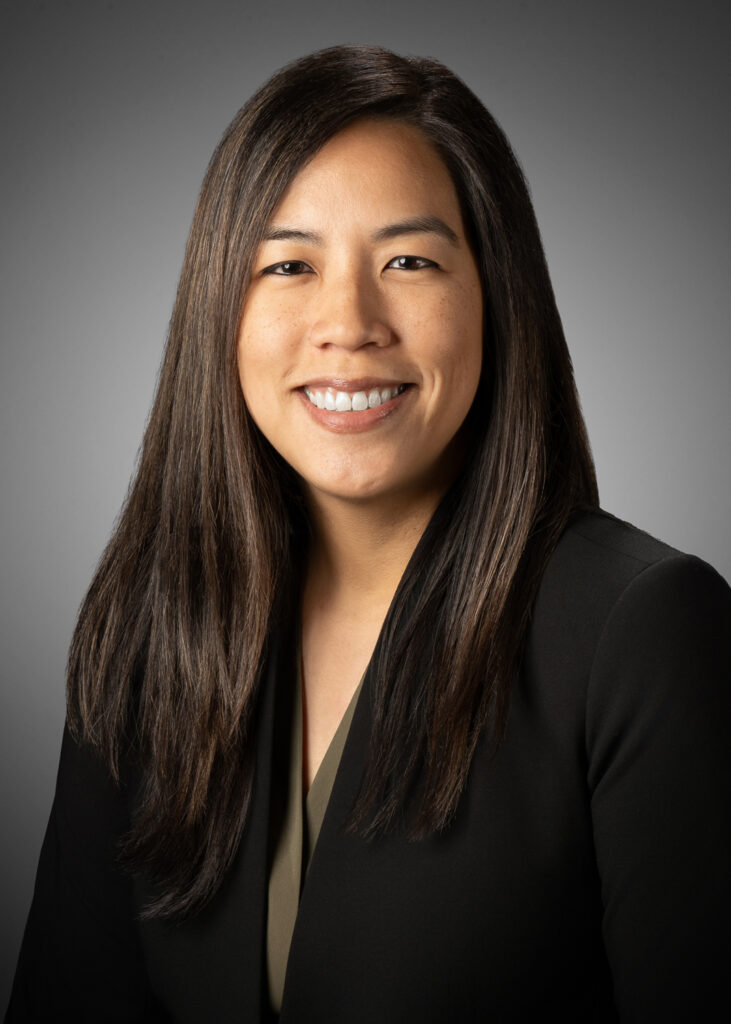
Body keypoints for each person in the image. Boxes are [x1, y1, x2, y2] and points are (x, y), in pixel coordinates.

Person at [6, 44, 730, 1023]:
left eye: (408, 260)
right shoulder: (146, 631)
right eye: (288, 265)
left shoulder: (641, 633)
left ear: (494, 296)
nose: (347, 322)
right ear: (219, 306)